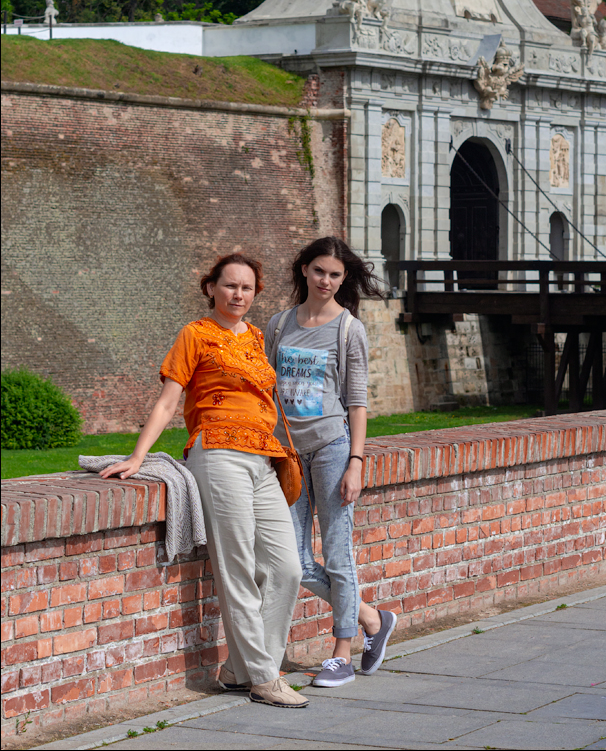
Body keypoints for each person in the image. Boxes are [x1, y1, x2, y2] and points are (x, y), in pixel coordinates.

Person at [100, 253, 307, 709]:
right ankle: (264, 678)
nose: (238, 295)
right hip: (217, 455)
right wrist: (138, 455)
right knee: (236, 569)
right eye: (230, 285)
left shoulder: (255, 337)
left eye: (247, 288)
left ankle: (239, 669)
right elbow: (168, 400)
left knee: (286, 568)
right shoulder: (195, 334)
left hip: (263, 458)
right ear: (210, 286)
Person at [265, 236, 397, 688]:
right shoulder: (279, 325)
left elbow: (357, 402)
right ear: (304, 269)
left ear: (344, 279)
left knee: (337, 554)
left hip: (332, 448)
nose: (326, 280)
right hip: (286, 453)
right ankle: (370, 617)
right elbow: (266, 391)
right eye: (319, 270)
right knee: (292, 561)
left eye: (335, 274)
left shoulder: (348, 328)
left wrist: (356, 461)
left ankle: (342, 651)